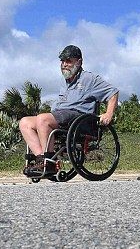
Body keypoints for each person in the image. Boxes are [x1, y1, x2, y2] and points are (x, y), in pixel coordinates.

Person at [20, 45, 118, 176]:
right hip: (61, 116)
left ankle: (49, 163)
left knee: (43, 119)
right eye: (62, 61)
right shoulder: (65, 82)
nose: (64, 64)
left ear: (79, 62)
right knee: (25, 122)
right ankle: (41, 159)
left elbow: (113, 93)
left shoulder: (89, 79)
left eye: (68, 61)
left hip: (79, 118)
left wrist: (109, 113)